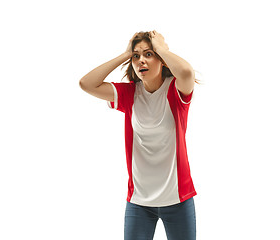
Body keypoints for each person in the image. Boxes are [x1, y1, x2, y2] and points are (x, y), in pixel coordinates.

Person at [79, 31, 197, 240]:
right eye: (136, 56)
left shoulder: (175, 91)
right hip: (139, 202)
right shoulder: (129, 94)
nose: (141, 60)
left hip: (178, 199)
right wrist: (125, 54)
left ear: (161, 60)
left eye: (148, 54)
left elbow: (187, 72)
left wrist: (161, 48)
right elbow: (86, 84)